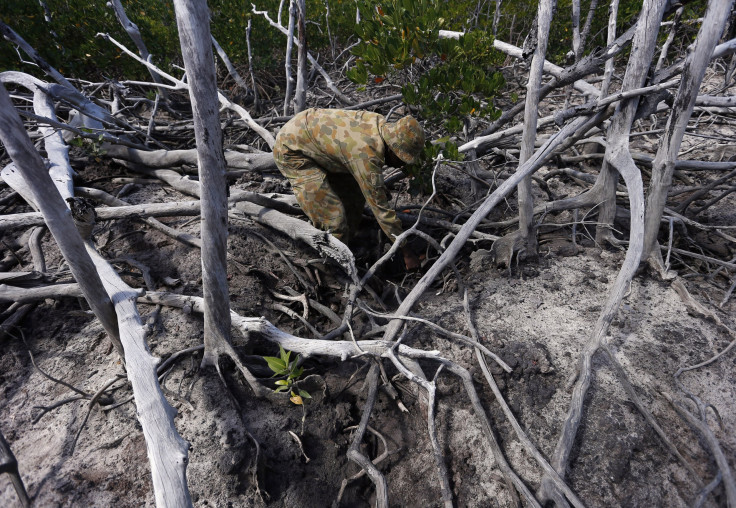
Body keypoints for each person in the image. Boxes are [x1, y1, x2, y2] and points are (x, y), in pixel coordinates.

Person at [273, 108, 425, 270]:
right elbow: (382, 213)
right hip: (292, 150)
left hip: (316, 142)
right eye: (402, 159)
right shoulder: (365, 155)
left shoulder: (379, 124)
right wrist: (407, 252)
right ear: (393, 149)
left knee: (354, 199)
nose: (402, 164)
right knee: (334, 219)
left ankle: (349, 244)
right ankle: (332, 268)